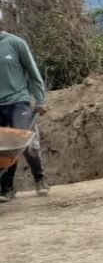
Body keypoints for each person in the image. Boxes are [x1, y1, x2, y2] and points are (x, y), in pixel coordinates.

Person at [0, 23, 48, 201]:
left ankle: (40, 178)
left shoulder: (15, 43)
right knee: (3, 148)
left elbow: (33, 73)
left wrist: (40, 100)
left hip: (18, 101)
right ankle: (6, 188)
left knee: (26, 143)